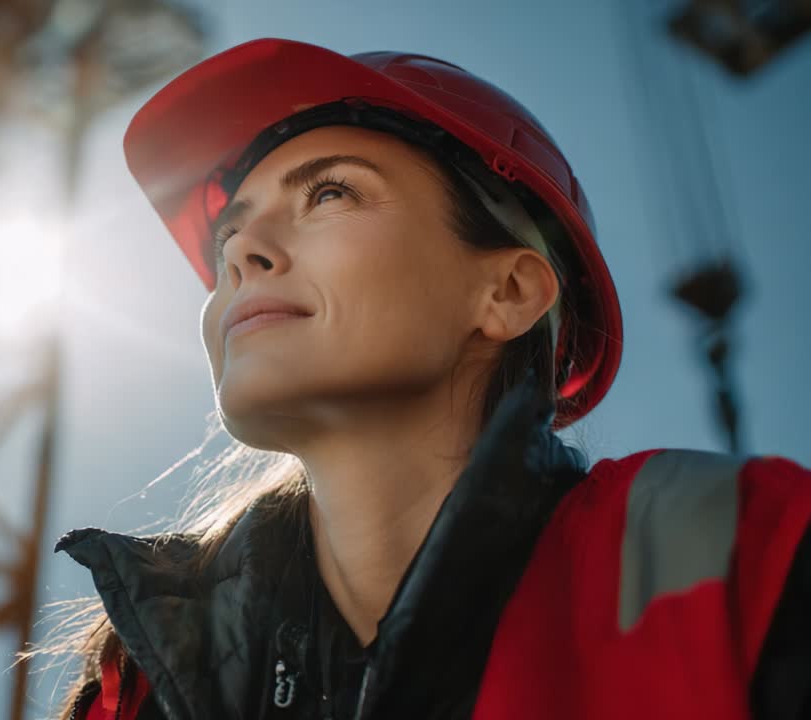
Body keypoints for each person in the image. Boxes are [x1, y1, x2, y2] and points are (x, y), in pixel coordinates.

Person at [42, 39, 811, 719]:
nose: (243, 257)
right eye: (229, 237)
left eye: (329, 193)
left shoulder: (744, 548)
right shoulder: (135, 694)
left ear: (507, 293)